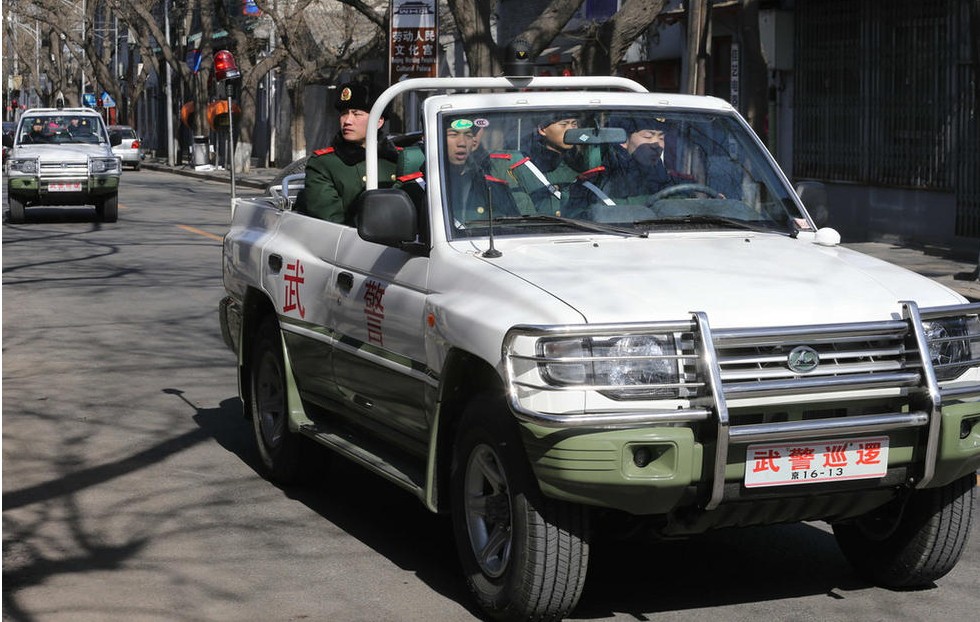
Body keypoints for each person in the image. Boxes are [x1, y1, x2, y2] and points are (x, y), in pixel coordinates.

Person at [294, 81, 398, 224]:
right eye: (344, 113)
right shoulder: (325, 163)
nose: (347, 121)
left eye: (356, 114)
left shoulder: (398, 159)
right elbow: (331, 219)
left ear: (379, 121)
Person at [444, 118, 518, 226]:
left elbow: (513, 229)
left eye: (468, 135)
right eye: (453, 135)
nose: (462, 143)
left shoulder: (494, 188)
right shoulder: (419, 187)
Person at [601, 115, 675, 199]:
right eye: (648, 136)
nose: (657, 145)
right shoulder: (607, 179)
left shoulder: (664, 175)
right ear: (623, 140)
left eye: (661, 138)